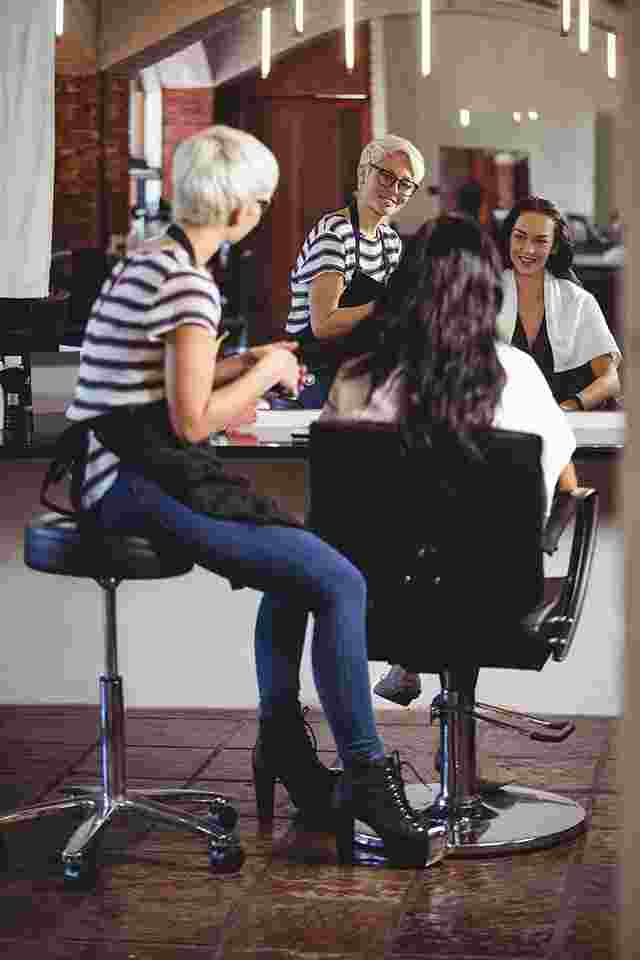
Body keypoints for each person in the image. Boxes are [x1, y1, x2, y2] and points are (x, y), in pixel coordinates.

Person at [61, 125, 434, 869]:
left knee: (300, 571)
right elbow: (192, 420)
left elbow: (168, 380)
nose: (262, 213)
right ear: (237, 206)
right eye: (260, 201)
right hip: (133, 482)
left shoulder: (150, 262)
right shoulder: (187, 282)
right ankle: (366, 779)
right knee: (340, 580)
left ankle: (286, 749)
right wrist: (263, 376)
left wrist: (251, 360)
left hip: (115, 474)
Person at [319, 213, 578, 708]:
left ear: (405, 286)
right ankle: (452, 710)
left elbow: (339, 492)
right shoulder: (518, 373)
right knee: (470, 553)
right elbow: (568, 487)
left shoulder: (360, 377)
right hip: (498, 600)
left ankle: (371, 715)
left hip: (377, 602)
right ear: (489, 291)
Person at [286, 134, 426, 408]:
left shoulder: (391, 242)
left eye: (406, 184)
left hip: (357, 370)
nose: (394, 189)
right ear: (363, 174)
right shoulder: (334, 234)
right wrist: (389, 305)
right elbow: (323, 324)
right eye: (386, 176)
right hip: (315, 375)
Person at [496, 196, 621, 410]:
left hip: (570, 423)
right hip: (504, 422)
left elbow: (611, 381)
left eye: (540, 241)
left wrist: (567, 408)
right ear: (509, 238)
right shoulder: (486, 296)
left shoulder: (578, 301)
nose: (528, 249)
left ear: (554, 247)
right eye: (520, 237)